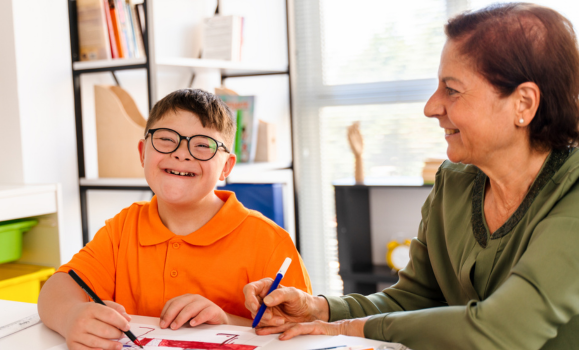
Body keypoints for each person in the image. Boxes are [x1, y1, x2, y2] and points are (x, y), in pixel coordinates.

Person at [243, 3, 579, 350]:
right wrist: (321, 310)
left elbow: (501, 329)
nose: (431, 107)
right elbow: (413, 300)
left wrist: (352, 328)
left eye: (452, 89)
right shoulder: (454, 182)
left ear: (523, 104)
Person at [38, 89, 312, 350]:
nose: (181, 153)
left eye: (203, 145)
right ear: (143, 152)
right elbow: (57, 288)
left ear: (226, 167)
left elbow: (305, 332)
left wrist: (226, 321)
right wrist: (71, 316)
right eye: (167, 139)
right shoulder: (122, 228)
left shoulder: (269, 241)